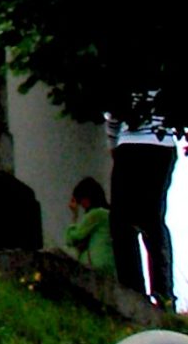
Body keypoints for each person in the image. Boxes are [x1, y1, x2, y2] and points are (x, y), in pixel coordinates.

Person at [110, 116, 178, 307]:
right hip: (162, 143)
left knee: (121, 222)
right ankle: (163, 292)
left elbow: (115, 112)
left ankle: (132, 290)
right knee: (153, 219)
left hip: (130, 142)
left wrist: (112, 141)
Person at [65, 174, 115, 277]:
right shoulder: (107, 214)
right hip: (108, 265)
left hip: (96, 265)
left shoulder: (96, 214)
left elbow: (73, 238)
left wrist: (74, 216)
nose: (81, 204)